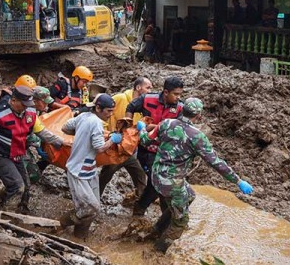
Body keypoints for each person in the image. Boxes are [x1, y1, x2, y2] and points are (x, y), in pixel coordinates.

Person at [140, 97, 253, 252]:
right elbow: (215, 162)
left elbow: (145, 141)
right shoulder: (197, 136)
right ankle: (158, 251)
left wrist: (141, 128)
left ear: (182, 109)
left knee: (190, 195)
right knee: (182, 221)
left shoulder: (165, 123)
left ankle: (158, 228)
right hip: (172, 183)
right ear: (198, 115)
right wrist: (238, 181)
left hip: (156, 175)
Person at [0, 86, 65, 210]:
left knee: (26, 188)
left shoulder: (30, 112)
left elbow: (42, 132)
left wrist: (62, 142)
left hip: (17, 154)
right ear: (13, 100)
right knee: (17, 187)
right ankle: (6, 217)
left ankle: (15, 207)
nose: (26, 107)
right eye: (23, 104)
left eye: (28, 104)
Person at [58, 94, 121, 239]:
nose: (110, 115)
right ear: (98, 108)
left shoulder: (83, 116)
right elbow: (99, 148)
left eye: (112, 111)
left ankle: (79, 236)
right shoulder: (96, 123)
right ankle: (62, 223)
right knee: (91, 208)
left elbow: (65, 127)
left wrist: (81, 133)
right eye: (108, 111)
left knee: (92, 207)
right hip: (78, 171)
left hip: (89, 169)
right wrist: (112, 140)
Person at [126, 76, 184, 217]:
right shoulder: (147, 99)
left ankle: (149, 210)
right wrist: (128, 128)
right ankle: (144, 209)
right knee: (157, 182)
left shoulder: (180, 108)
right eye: (175, 94)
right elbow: (131, 107)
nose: (178, 97)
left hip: (164, 151)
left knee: (158, 183)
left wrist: (154, 127)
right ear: (165, 92)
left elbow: (179, 129)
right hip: (145, 149)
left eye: (180, 94)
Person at [98, 77, 153, 202]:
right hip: (114, 147)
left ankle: (140, 202)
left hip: (129, 148)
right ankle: (94, 201)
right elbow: (103, 115)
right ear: (138, 88)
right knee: (105, 176)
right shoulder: (120, 98)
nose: (150, 91)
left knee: (139, 175)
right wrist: (107, 134)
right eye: (148, 87)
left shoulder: (142, 106)